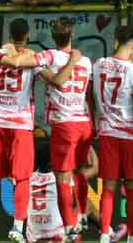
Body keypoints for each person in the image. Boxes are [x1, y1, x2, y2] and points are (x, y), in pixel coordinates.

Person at [0, 19, 79, 243]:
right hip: (21, 125)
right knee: (23, 179)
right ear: (28, 35)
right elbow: (55, 81)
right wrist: (72, 61)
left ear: (9, 33)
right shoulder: (33, 60)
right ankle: (16, 228)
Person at [92, 26, 133, 243]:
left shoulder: (98, 65)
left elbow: (90, 97)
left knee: (108, 186)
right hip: (130, 135)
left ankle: (105, 234)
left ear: (116, 42)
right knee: (132, 186)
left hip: (107, 132)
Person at [40, 18, 95, 241]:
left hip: (65, 124)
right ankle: (82, 214)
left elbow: (52, 76)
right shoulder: (87, 61)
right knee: (80, 172)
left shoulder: (50, 57)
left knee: (62, 177)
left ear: (53, 38)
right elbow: (89, 96)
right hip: (84, 122)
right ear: (72, 35)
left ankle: (70, 227)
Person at [25, 142, 64, 243]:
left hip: (33, 237)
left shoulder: (26, 178)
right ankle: (107, 233)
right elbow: (94, 168)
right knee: (84, 204)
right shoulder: (59, 178)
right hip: (57, 235)